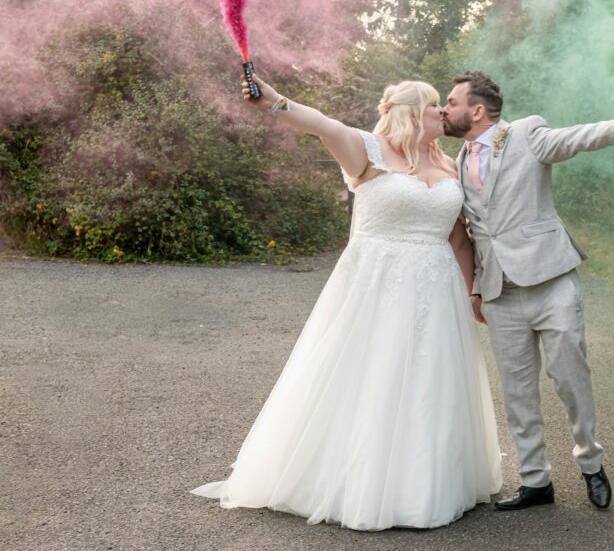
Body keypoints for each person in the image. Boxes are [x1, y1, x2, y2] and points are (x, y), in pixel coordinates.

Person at [191, 74, 503, 531]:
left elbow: (459, 238)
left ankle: (424, 484)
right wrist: (274, 99)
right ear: (413, 113)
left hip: (438, 293)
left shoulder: (449, 164)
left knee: (431, 381)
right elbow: (322, 124)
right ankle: (357, 483)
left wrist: (473, 289)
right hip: (375, 287)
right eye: (436, 104)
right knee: (372, 376)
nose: (443, 112)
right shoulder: (367, 150)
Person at [441, 71, 614, 512]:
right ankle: (535, 480)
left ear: (477, 110)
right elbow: (470, 229)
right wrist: (474, 290)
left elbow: (575, 139)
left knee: (570, 376)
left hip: (550, 280)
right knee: (517, 390)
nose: (444, 108)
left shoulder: (525, 134)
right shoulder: (456, 162)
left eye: (451, 101)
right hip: (498, 292)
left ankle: (591, 464)